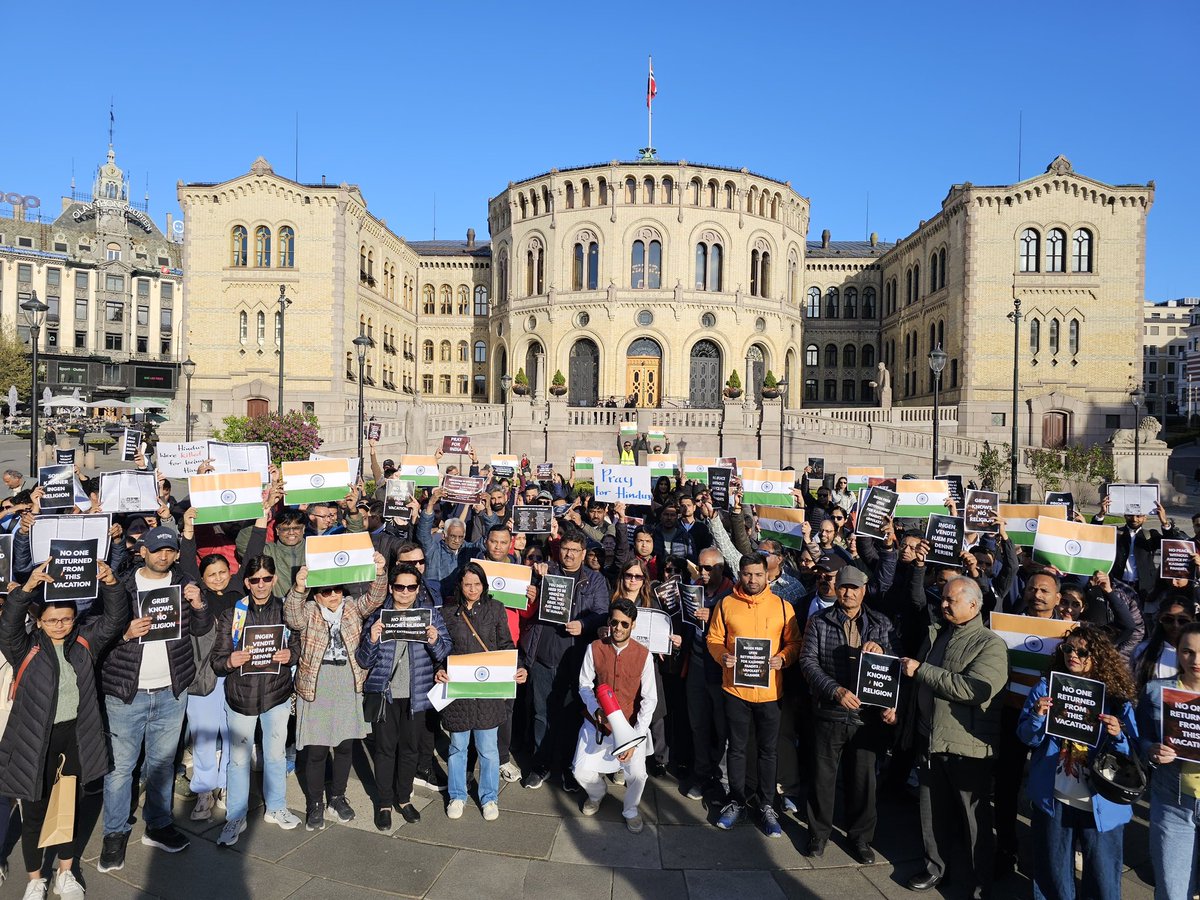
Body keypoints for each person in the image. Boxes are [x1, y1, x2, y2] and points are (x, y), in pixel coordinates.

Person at [0, 559, 126, 900]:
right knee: (34, 812)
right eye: (52, 620)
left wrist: (111, 582)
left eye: (67, 619)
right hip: (34, 742)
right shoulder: (24, 648)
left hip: (76, 737)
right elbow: (8, 626)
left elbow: (115, 619)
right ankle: (34, 878)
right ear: (39, 620)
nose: (60, 625)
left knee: (69, 807)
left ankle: (65, 872)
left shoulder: (85, 643)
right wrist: (26, 590)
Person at [98, 526, 212, 874]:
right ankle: (114, 833)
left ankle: (158, 824)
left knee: (162, 765)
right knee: (120, 770)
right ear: (142, 551)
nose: (164, 556)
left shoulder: (185, 583)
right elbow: (96, 632)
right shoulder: (119, 587)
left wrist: (199, 603)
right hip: (126, 694)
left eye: (170, 550)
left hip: (170, 691)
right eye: (157, 549)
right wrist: (124, 634)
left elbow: (201, 628)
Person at [898, 576, 1008, 898]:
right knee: (932, 813)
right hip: (929, 739)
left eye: (951, 600)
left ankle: (979, 884)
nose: (943, 604)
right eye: (943, 599)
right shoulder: (937, 635)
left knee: (974, 824)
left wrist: (922, 671)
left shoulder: (991, 644)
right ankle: (935, 868)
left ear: (973, 605)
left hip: (966, 747)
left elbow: (974, 689)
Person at [1018, 625, 1138, 900]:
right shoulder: (1046, 687)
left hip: (1101, 802)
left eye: (1082, 651)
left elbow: (1133, 754)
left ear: (1098, 656)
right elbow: (1026, 737)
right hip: (1055, 798)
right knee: (1053, 876)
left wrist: (1117, 735)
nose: (1073, 655)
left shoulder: (1117, 698)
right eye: (1068, 648)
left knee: (1103, 879)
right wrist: (1037, 716)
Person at [285, 551, 389, 830]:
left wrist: (380, 570)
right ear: (316, 594)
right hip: (317, 685)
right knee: (317, 750)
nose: (334, 596)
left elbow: (375, 598)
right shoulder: (307, 610)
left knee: (345, 746)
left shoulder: (353, 607)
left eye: (337, 590)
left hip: (348, 682)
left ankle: (338, 797)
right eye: (326, 591)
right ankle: (315, 803)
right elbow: (292, 617)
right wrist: (298, 587)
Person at [799, 565, 896, 863]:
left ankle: (860, 838)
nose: (848, 592)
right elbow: (808, 662)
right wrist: (835, 690)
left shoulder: (881, 623)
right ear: (836, 588)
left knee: (863, 781)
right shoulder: (819, 620)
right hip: (830, 711)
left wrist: (880, 651)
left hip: (865, 716)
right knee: (822, 777)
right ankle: (818, 834)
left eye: (854, 587)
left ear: (864, 590)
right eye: (843, 586)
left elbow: (895, 666)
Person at [706, 554, 802, 837]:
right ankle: (736, 801)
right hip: (735, 689)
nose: (752, 580)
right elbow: (713, 639)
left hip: (770, 692)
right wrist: (723, 656)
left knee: (768, 751)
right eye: (747, 574)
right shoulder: (726, 604)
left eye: (758, 575)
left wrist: (783, 659)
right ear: (740, 574)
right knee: (735, 748)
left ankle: (767, 804)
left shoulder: (783, 607)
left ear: (767, 575)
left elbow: (795, 642)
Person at [209, 556, 302, 846]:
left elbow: (297, 643)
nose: (260, 585)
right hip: (241, 697)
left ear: (274, 579)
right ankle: (236, 815)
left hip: (276, 694)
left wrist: (292, 655)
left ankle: (276, 807)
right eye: (254, 580)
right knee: (237, 760)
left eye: (266, 578)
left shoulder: (287, 610)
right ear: (246, 582)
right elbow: (216, 660)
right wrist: (229, 660)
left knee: (275, 755)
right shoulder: (232, 615)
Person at [356, 562, 452, 830]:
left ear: (418, 588)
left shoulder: (429, 615)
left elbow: (445, 653)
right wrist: (372, 639)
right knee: (385, 751)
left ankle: (404, 798)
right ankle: (384, 802)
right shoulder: (378, 616)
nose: (405, 592)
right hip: (386, 696)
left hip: (416, 696)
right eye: (400, 587)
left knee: (410, 750)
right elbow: (364, 660)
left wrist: (435, 640)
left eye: (411, 587)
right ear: (391, 588)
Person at [435, 562, 527, 820]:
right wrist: (439, 669)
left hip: (488, 689)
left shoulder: (495, 609)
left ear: (484, 585)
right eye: (467, 584)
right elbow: (442, 649)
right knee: (457, 747)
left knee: (488, 749)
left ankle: (489, 798)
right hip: (459, 690)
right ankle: (457, 795)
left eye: (477, 584)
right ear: (460, 586)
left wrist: (519, 667)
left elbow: (507, 644)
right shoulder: (448, 612)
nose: (472, 589)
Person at [519, 527, 609, 790]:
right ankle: (541, 764)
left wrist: (584, 624)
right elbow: (528, 602)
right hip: (543, 655)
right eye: (565, 549)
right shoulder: (546, 571)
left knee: (572, 716)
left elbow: (602, 613)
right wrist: (535, 587)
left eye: (574, 550)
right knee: (541, 714)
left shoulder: (595, 580)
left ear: (583, 554)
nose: (568, 554)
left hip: (576, 658)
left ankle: (571, 768)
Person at [573, 598, 658, 833]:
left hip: (630, 725)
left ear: (633, 626)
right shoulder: (595, 647)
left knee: (639, 775)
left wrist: (636, 738)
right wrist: (595, 709)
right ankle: (597, 793)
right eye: (614, 622)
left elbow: (650, 699)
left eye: (624, 624)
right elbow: (584, 684)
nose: (618, 628)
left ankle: (630, 809)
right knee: (580, 771)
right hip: (597, 724)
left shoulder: (644, 655)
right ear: (609, 622)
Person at [1139, 622, 1200, 900]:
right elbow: (1141, 738)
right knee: (1172, 892)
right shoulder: (1155, 692)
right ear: (1177, 652)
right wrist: (1151, 750)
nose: (1195, 661)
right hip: (1173, 805)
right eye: (1187, 652)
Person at [684, 547, 734, 801]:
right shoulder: (694, 588)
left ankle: (723, 779)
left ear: (720, 569)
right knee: (698, 722)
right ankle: (702, 773)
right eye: (700, 567)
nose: (701, 573)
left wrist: (713, 615)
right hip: (696, 662)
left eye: (707, 568)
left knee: (722, 726)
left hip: (721, 668)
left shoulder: (732, 592)